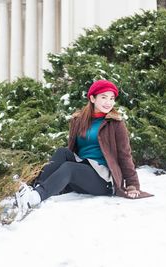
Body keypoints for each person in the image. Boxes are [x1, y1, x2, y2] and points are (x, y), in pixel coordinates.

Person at [15, 79, 153, 217]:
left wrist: (132, 184)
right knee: (62, 152)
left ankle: (35, 198)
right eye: (104, 97)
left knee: (70, 167)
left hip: (103, 179)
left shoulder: (115, 124)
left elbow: (125, 155)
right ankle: (33, 190)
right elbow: (72, 149)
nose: (108, 102)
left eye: (111, 98)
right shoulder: (79, 121)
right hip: (84, 169)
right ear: (92, 98)